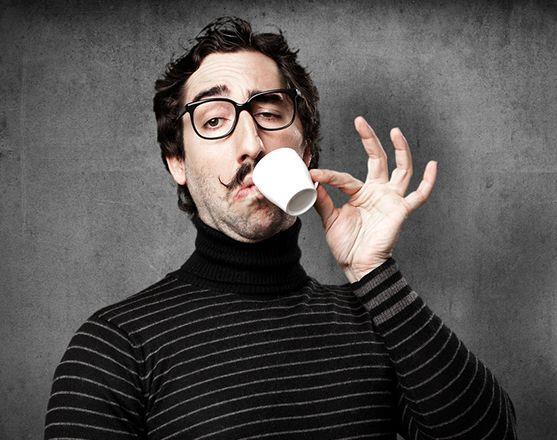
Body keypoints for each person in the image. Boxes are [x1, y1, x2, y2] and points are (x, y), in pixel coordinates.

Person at [44, 16, 517, 440]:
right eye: (214, 119)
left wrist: (374, 272)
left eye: (269, 114)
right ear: (178, 162)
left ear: (306, 150)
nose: (251, 143)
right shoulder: (115, 346)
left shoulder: (377, 319)